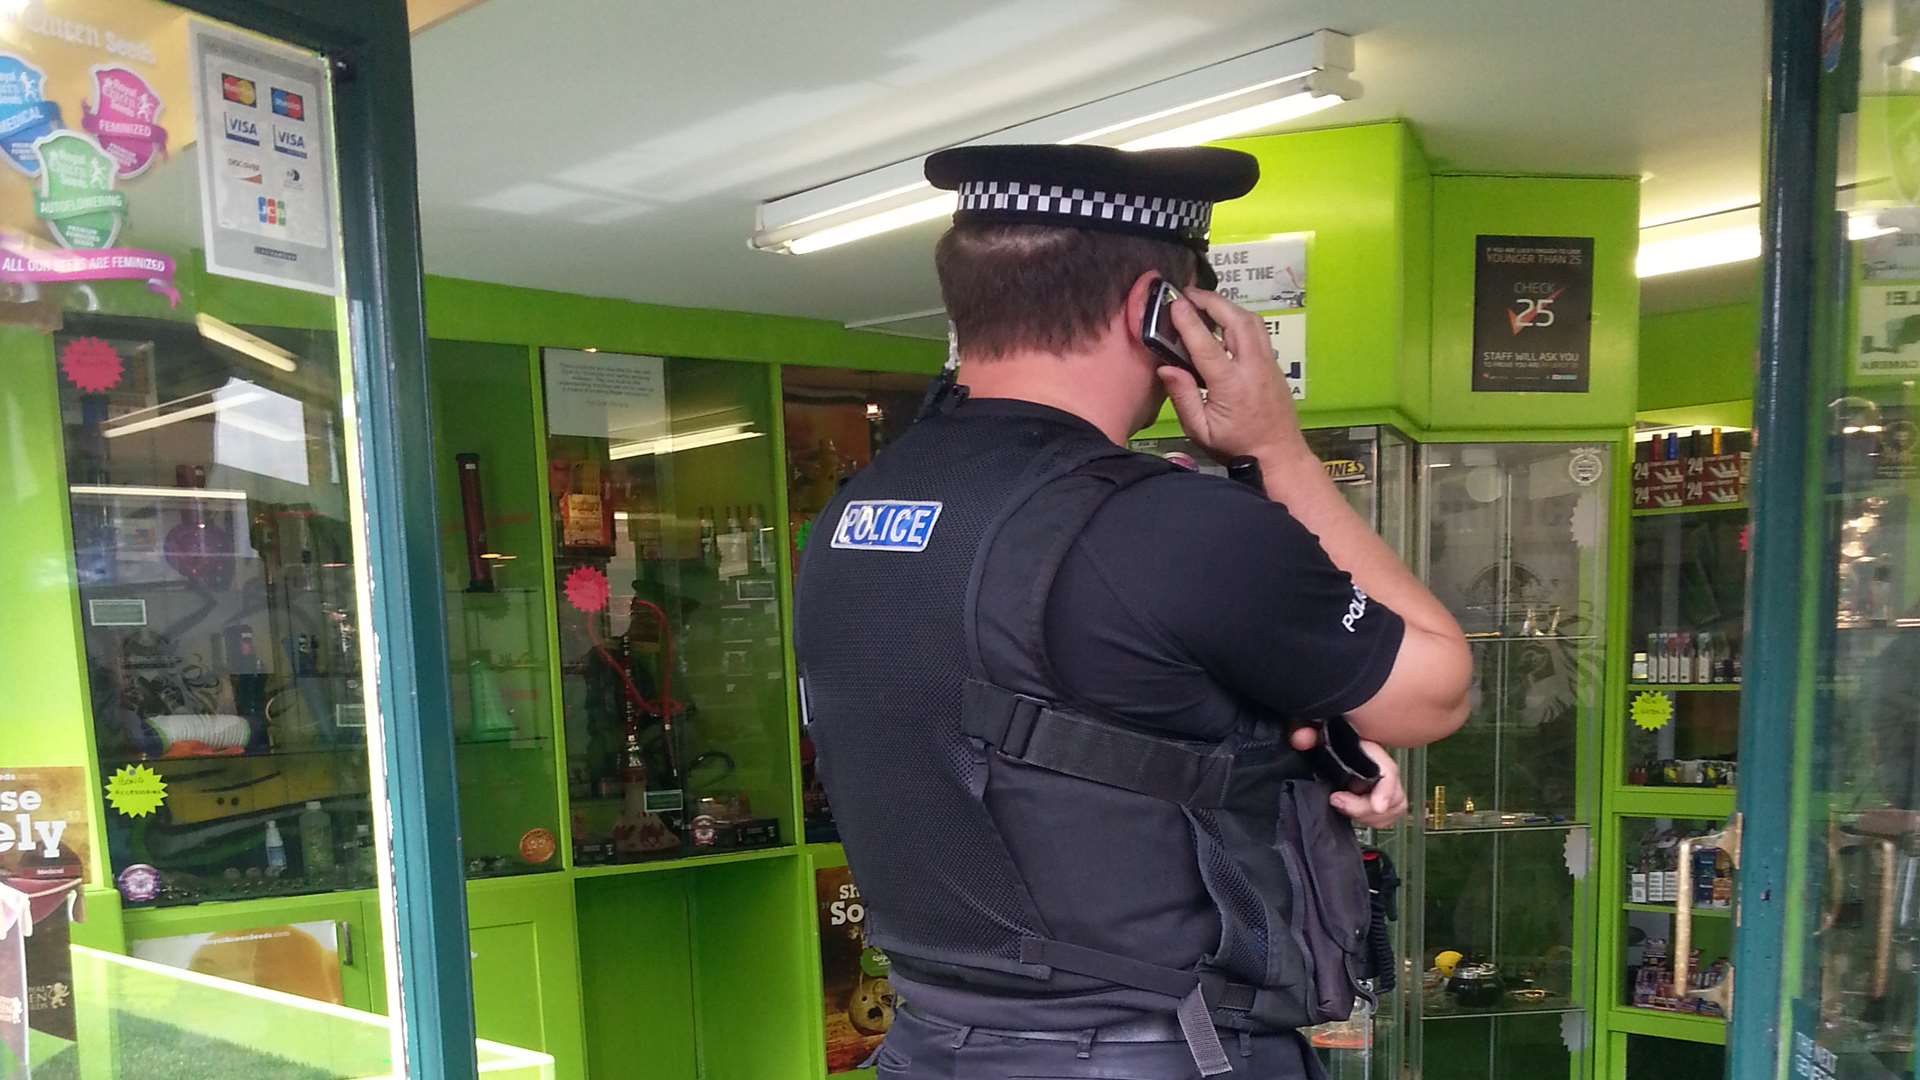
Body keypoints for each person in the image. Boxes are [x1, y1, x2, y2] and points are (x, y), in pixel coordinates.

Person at [794, 143, 1471, 1080]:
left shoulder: (854, 516)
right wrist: (1278, 451)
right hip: (1151, 1052)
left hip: (930, 1046)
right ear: (1155, 312)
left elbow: (1047, 708)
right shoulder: (1173, 525)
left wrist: (1284, 738)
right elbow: (1435, 691)